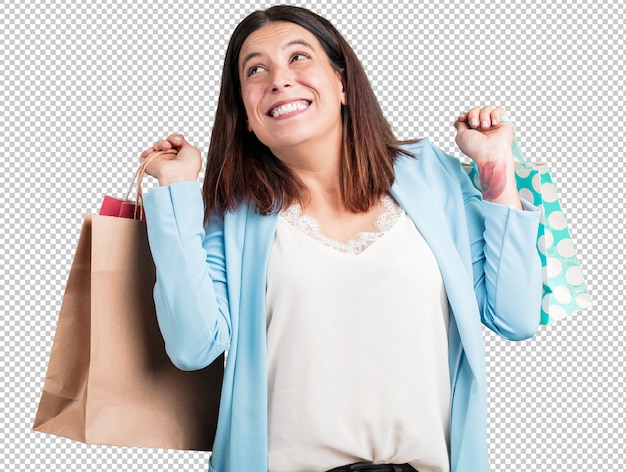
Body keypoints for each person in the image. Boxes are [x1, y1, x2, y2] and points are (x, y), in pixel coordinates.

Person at [139, 5, 542, 472]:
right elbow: (193, 346)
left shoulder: (431, 176)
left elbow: (516, 316)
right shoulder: (234, 216)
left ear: (343, 83)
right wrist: (176, 189)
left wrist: (496, 170)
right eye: (255, 69)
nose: (279, 79)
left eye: (299, 57)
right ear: (246, 115)